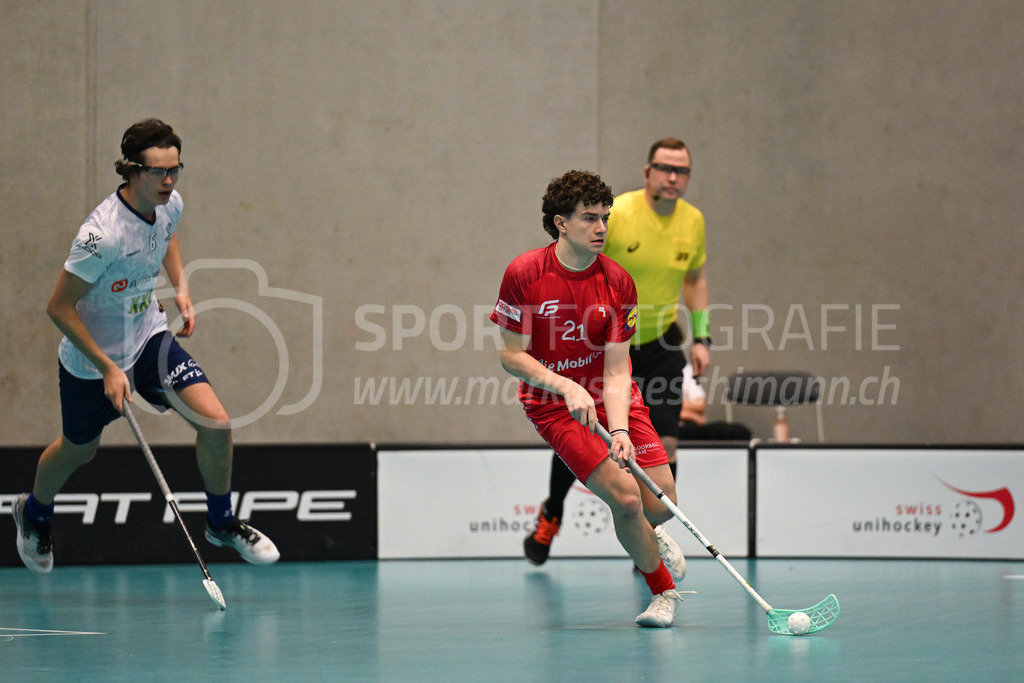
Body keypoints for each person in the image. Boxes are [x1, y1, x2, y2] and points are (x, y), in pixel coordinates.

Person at [12, 118, 279, 574]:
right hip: (90, 361)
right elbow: (58, 307)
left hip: (147, 339)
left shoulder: (169, 202)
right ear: (131, 171)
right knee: (80, 450)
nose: (169, 181)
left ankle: (221, 523)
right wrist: (107, 367)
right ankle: (33, 512)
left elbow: (165, 234)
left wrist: (181, 287)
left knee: (216, 422)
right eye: (158, 171)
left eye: (175, 169)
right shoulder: (100, 237)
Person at [491, 169, 688, 628]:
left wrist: (618, 428)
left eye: (606, 218)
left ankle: (649, 535)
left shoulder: (618, 282)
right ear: (560, 222)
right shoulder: (525, 274)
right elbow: (510, 356)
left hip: (611, 395)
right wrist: (565, 384)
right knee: (628, 501)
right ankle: (663, 593)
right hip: (551, 402)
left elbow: (618, 369)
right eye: (589, 219)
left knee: (660, 504)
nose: (602, 228)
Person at [524, 138, 714, 566]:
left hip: (662, 341)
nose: (673, 177)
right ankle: (553, 512)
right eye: (664, 168)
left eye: (681, 171)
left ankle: (650, 536)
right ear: (647, 173)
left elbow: (695, 280)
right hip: (601, 344)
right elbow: (575, 266)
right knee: (588, 431)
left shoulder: (693, 222)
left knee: (666, 441)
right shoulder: (619, 216)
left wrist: (701, 337)